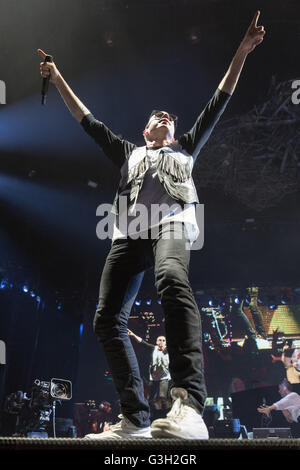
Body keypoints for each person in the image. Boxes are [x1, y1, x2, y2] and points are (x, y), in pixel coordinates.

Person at [39, 11, 265, 440]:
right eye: (156, 117)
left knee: (171, 278)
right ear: (145, 131)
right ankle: (135, 419)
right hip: (130, 231)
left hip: (172, 224)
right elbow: (88, 120)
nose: (163, 117)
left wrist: (242, 49)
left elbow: (219, 99)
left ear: (175, 133)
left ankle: (190, 406)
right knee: (107, 319)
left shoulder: (185, 153)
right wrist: (57, 76)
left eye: (169, 118)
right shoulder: (129, 153)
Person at [128, 330, 171, 417]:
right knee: (151, 399)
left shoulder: (168, 350)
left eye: (163, 340)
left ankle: (166, 415)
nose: (161, 342)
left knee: (162, 397)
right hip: (154, 378)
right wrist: (133, 335)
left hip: (164, 377)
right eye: (159, 340)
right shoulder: (154, 348)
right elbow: (143, 342)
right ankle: (153, 414)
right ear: (156, 342)